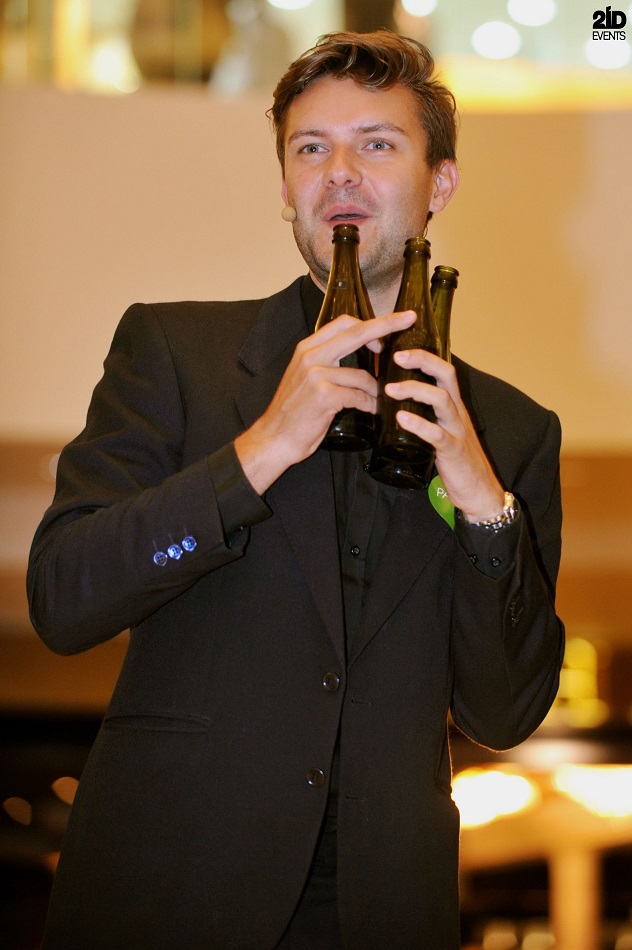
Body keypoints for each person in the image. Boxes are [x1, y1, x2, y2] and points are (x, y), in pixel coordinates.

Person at [27, 29, 564, 950]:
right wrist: (258, 453)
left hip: (383, 911)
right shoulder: (175, 354)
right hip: (165, 895)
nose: (339, 171)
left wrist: (485, 511)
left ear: (439, 183)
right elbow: (64, 599)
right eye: (311, 148)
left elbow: (505, 713)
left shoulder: (511, 432)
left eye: (377, 144)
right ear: (286, 187)